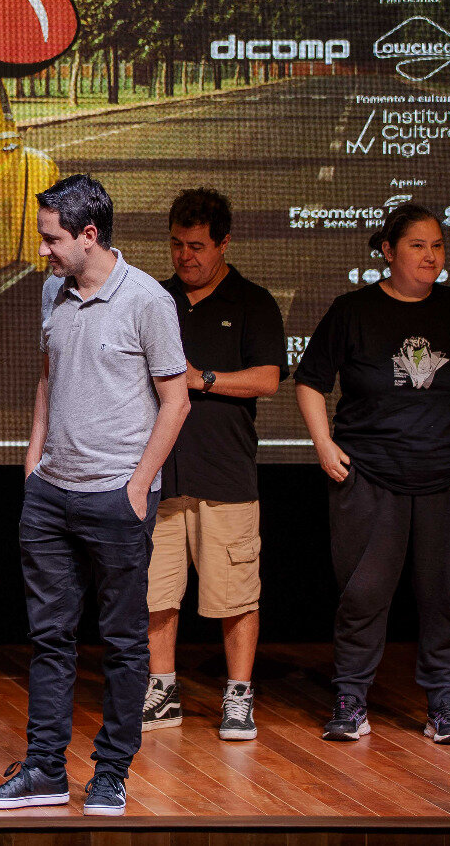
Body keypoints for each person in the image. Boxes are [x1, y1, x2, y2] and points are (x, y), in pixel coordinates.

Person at [0, 174, 188, 816]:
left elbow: (176, 402)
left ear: (89, 236)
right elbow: (50, 376)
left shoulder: (148, 301)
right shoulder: (52, 291)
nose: (43, 250)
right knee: (49, 638)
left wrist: (134, 487)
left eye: (53, 239)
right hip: (50, 496)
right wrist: (32, 461)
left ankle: (111, 774)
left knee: (124, 643)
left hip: (115, 499)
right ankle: (44, 770)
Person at [295, 202, 450, 746]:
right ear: (388, 252)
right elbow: (310, 381)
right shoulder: (352, 310)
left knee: (449, 597)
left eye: (437, 245)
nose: (430, 255)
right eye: (417, 245)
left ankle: (445, 706)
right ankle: (351, 700)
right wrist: (323, 445)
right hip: (372, 478)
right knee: (362, 596)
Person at [144, 188, 286, 741]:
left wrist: (201, 379)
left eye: (198, 246)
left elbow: (268, 378)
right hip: (160, 472)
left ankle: (238, 697)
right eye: (177, 245)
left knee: (234, 595)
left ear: (223, 243)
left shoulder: (253, 302)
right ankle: (160, 691)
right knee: (156, 593)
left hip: (226, 475)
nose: (186, 257)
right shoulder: (154, 300)